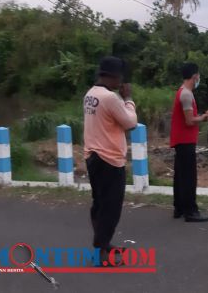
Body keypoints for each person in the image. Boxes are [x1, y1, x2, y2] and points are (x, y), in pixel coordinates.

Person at [83, 56, 137, 263]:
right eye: (121, 77)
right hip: (109, 159)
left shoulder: (90, 94)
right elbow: (130, 122)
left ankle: (103, 243)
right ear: (114, 77)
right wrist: (129, 99)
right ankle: (101, 251)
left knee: (99, 203)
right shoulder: (110, 98)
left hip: (93, 156)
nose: (122, 81)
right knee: (111, 208)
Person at [170, 62, 208, 222]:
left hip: (181, 139)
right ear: (195, 76)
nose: (199, 78)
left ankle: (179, 208)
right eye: (198, 75)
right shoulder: (186, 94)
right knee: (189, 177)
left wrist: (202, 115)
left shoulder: (183, 92)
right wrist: (204, 117)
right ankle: (191, 211)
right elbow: (189, 121)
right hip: (185, 140)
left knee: (180, 176)